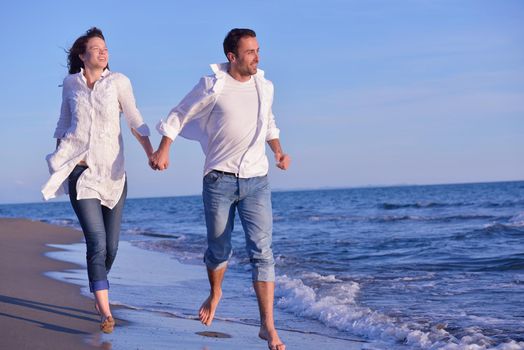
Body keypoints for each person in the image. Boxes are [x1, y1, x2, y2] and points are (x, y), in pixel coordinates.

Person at [150, 28, 290, 350]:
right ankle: (215, 293)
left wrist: (278, 151)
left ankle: (267, 326)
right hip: (219, 180)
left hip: (257, 179)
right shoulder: (213, 85)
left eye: (258, 49)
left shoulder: (264, 86)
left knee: (262, 252)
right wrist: (164, 149)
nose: (257, 56)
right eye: (251, 52)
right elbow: (179, 114)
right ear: (232, 56)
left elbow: (269, 122)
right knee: (218, 249)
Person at [41, 27, 154, 334]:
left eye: (106, 48)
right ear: (82, 55)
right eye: (96, 48)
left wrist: (151, 152)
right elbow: (63, 125)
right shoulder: (70, 85)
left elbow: (134, 119)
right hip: (81, 172)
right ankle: (105, 310)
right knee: (97, 242)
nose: (103, 52)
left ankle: (97, 283)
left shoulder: (119, 82)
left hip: (114, 175)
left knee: (112, 247)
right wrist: (59, 163)